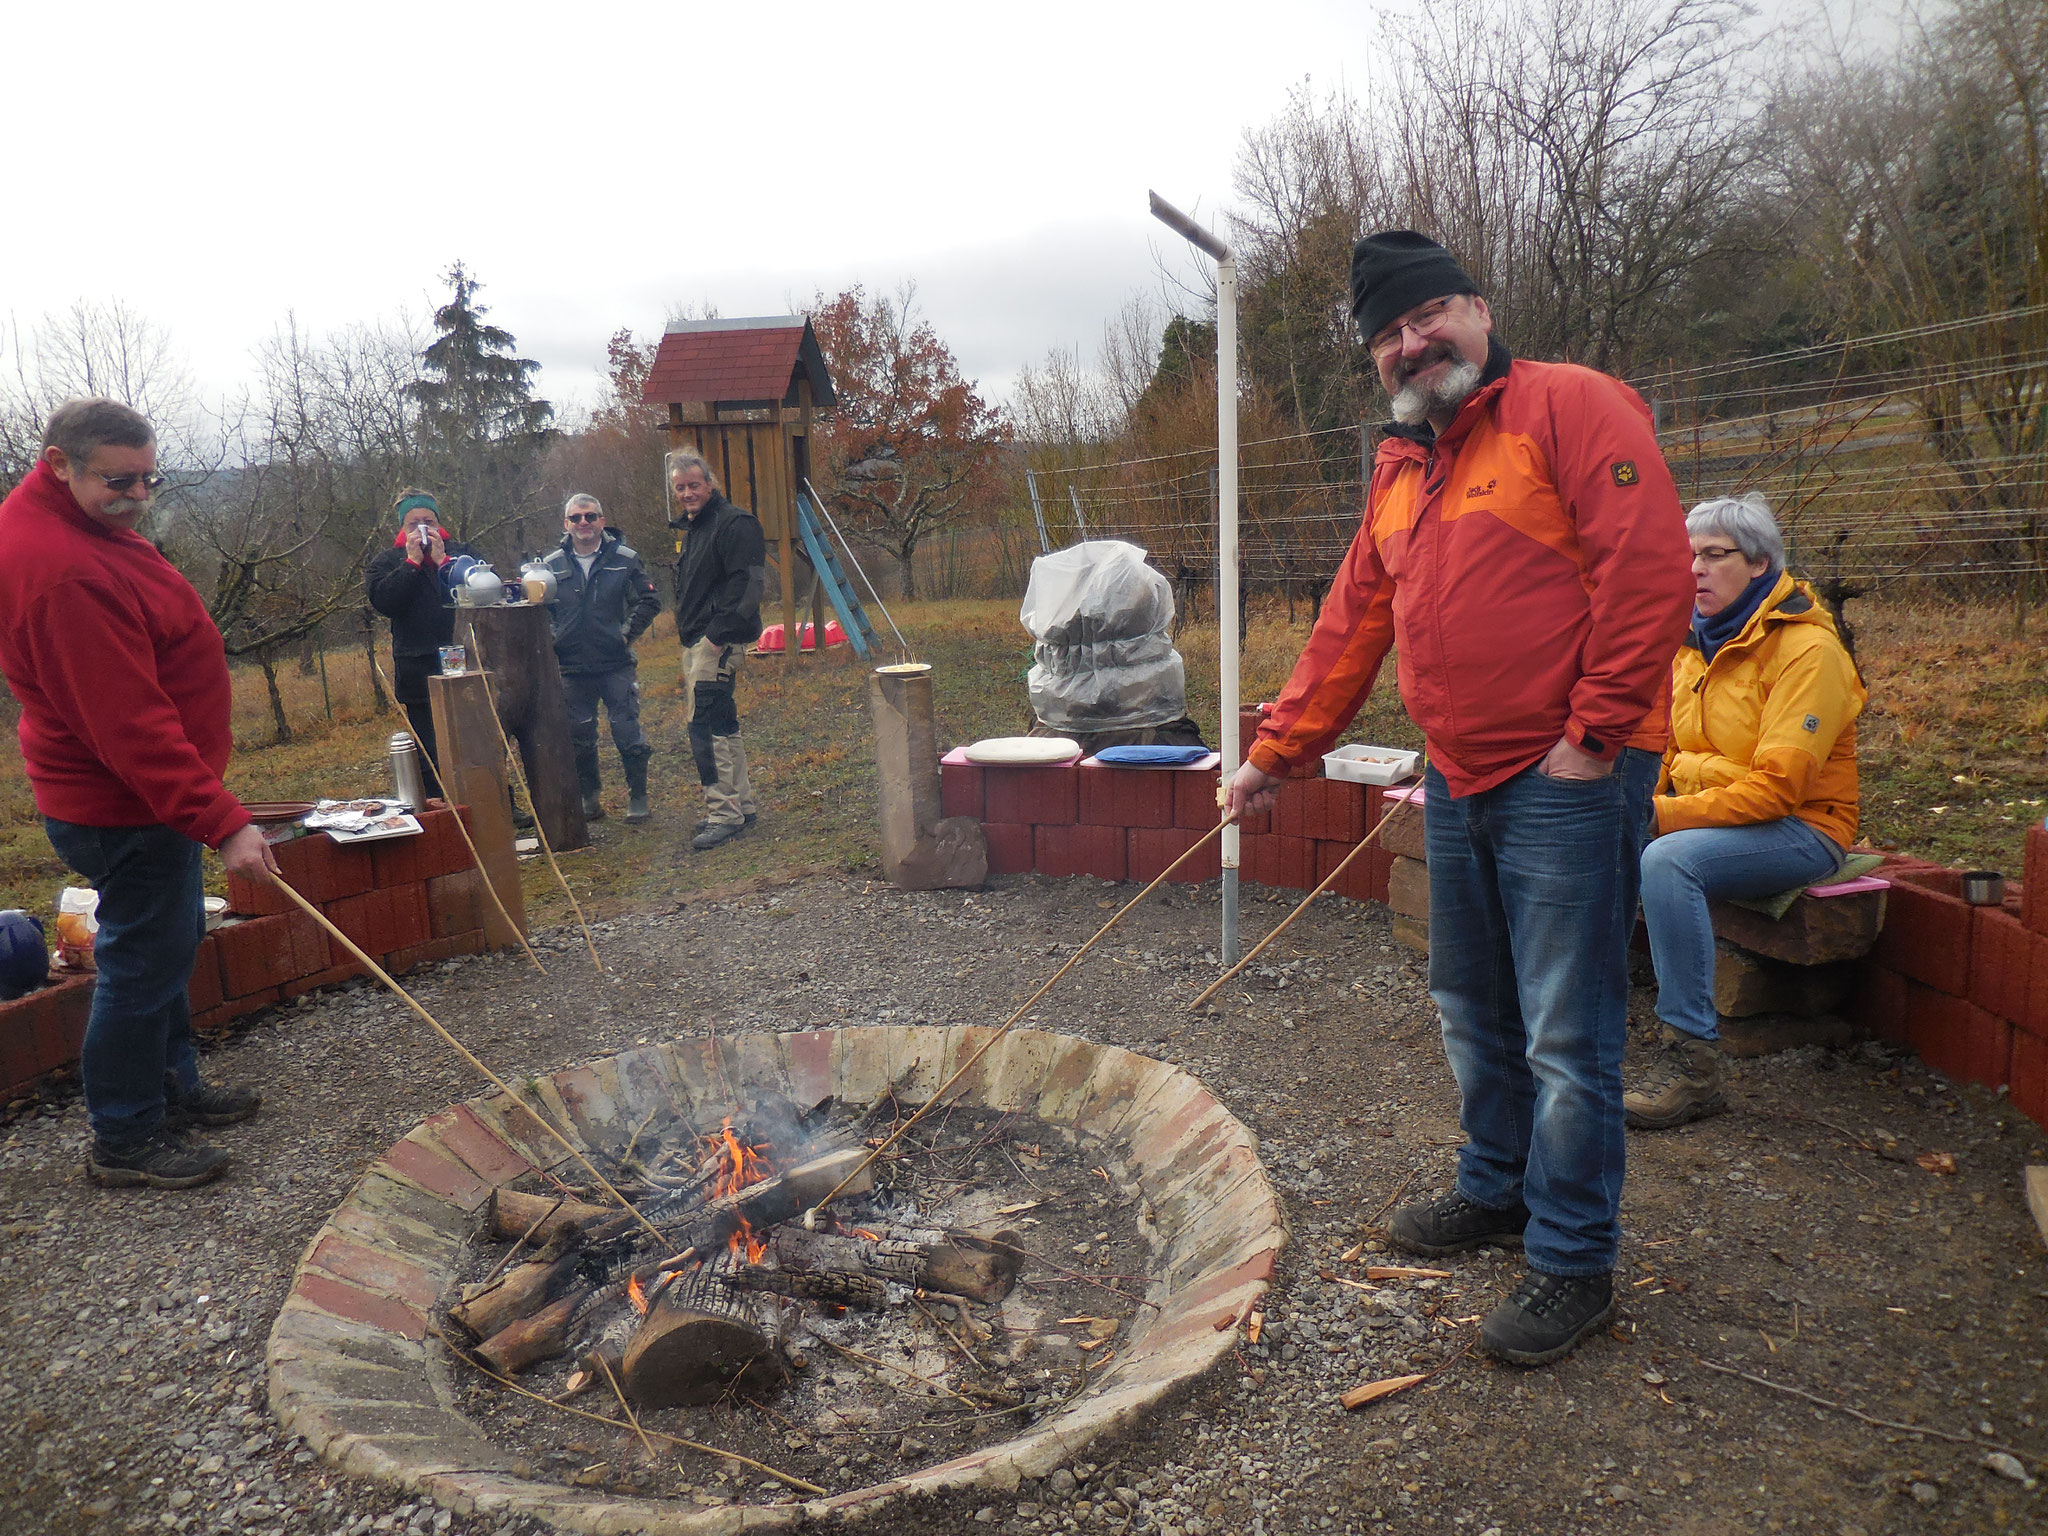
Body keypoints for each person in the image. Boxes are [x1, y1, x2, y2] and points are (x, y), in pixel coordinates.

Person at [1226, 232, 1694, 1365]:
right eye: (1387, 331)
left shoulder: (1570, 409)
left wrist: (1590, 738)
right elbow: (1351, 625)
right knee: (1467, 1006)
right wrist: (1271, 755)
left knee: (1563, 1034)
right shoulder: (1400, 468)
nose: (1410, 340)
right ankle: (1496, 1189)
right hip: (1458, 776)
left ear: (1479, 311)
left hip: (1566, 779)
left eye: (1428, 312)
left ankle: (1573, 1261)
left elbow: (1649, 571)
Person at [0, 398, 275, 1190]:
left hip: (145, 799)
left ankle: (171, 1086)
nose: (139, 497)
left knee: (167, 943)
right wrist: (222, 822)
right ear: (58, 463)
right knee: (141, 964)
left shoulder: (82, 524)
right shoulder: (61, 571)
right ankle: (123, 1135)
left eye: (151, 478)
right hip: (121, 802)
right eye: (120, 481)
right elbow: (128, 727)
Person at [1626, 494, 1864, 1129]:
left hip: (1804, 828)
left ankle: (1693, 1065)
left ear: (1760, 564)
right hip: (1717, 812)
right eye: (1687, 557)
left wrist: (1660, 817)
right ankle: (1581, 1017)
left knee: (1668, 860)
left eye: (1713, 555)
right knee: (1595, 831)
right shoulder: (1691, 643)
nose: (1695, 570)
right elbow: (1668, 748)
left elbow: (1779, 790)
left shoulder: (1808, 653)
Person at [667, 450, 765, 851]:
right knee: (723, 723)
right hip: (697, 641)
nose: (688, 493)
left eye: (694, 485)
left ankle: (723, 815)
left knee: (704, 728)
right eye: (681, 488)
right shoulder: (697, 529)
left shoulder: (735, 524)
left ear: (710, 483)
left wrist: (715, 638)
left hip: (716, 642)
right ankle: (741, 805)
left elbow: (749, 587)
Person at [542, 494, 660, 824]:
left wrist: (625, 633)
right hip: (571, 665)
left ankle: (638, 797)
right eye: (576, 518)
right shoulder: (550, 565)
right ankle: (589, 798)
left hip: (615, 662)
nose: (584, 523)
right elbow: (541, 609)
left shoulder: (625, 558)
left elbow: (650, 599)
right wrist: (554, 636)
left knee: (627, 729)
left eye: (591, 517)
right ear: (566, 524)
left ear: (602, 521)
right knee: (578, 734)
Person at [364, 490, 476, 795]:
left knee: (475, 736)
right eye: (414, 523)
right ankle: (441, 807)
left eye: (429, 521)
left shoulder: (462, 554)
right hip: (417, 664)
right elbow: (386, 602)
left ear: (440, 525)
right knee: (429, 746)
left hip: (464, 658)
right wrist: (412, 563)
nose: (422, 529)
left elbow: (479, 593)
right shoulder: (386, 562)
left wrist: (444, 562)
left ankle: (491, 798)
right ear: (402, 528)